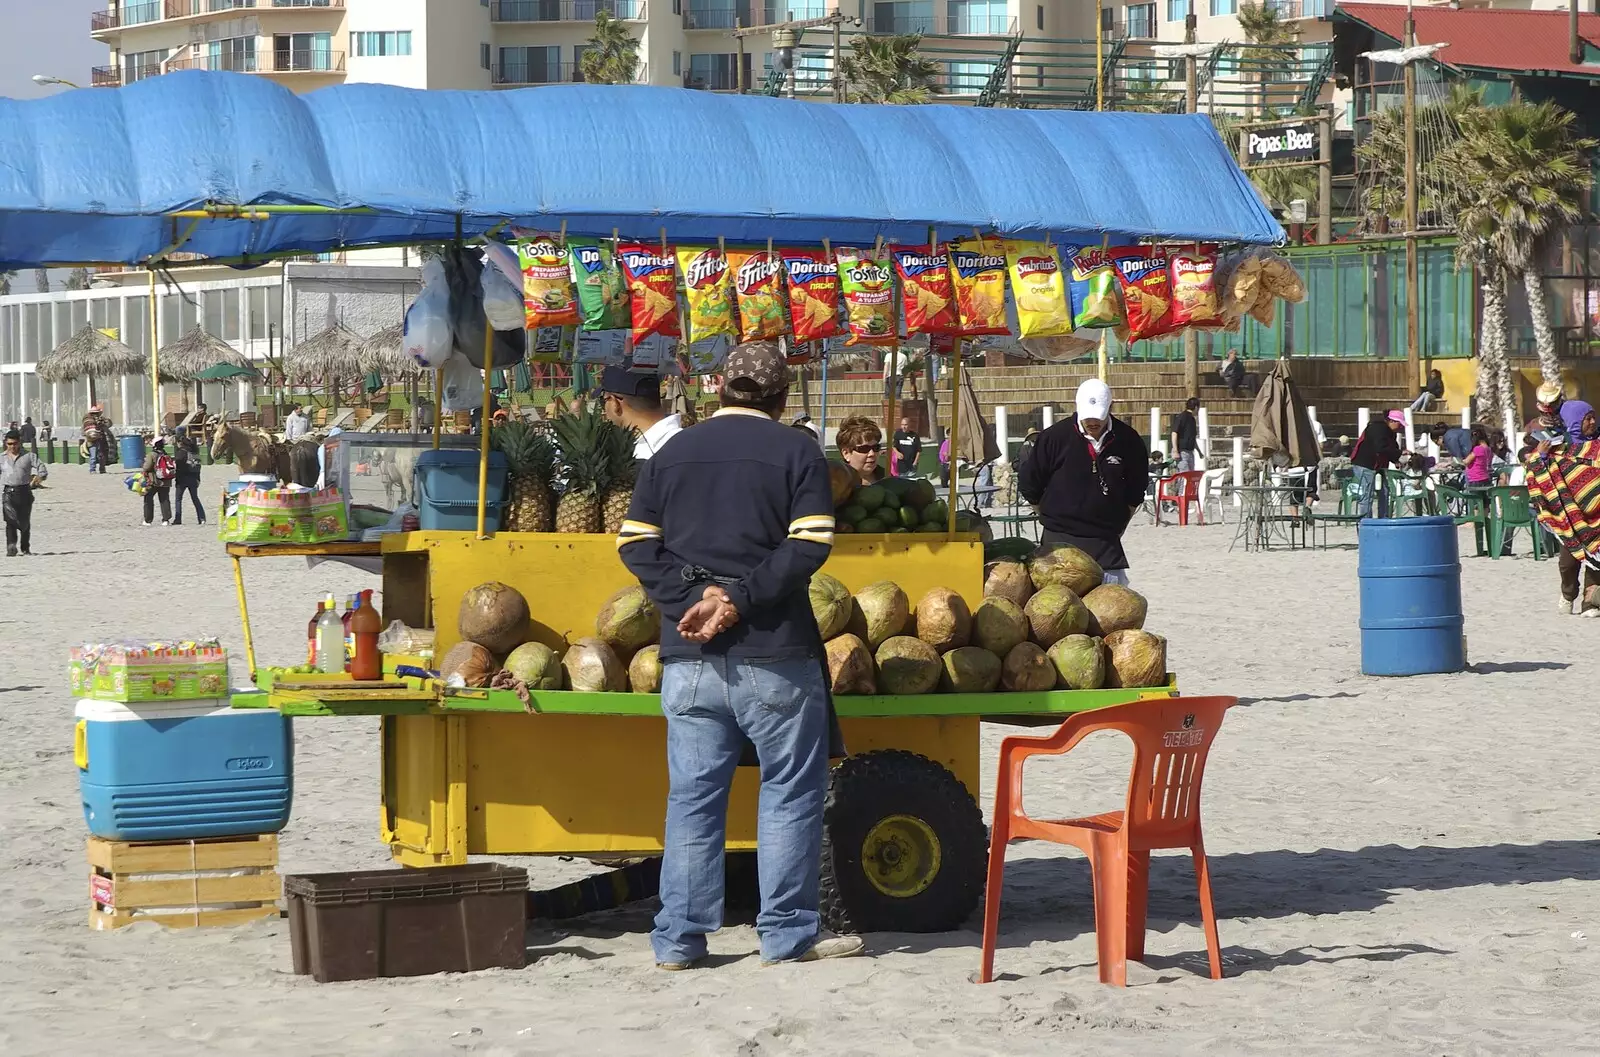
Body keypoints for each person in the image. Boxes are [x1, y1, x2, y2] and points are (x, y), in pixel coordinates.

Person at [617, 341, 863, 970]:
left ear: (717, 387)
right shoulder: (797, 451)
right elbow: (811, 544)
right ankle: (784, 935)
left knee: (694, 798)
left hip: (688, 657)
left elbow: (635, 544)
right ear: (782, 397)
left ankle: (678, 939)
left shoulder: (670, 452)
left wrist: (693, 598)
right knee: (788, 792)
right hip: (776, 654)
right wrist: (739, 599)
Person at [1017, 378, 1150, 586]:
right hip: (1058, 542)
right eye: (1088, 418)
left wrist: (1119, 523)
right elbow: (1029, 482)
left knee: (1111, 612)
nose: (1093, 423)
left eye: (1098, 417)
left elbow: (1136, 488)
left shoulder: (1129, 440)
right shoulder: (1054, 437)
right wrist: (1048, 516)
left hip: (1105, 543)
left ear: (1110, 408)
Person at [598, 366, 682, 460]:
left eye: (603, 400)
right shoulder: (684, 442)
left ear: (614, 404)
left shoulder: (644, 456)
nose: (604, 410)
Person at [1350, 410, 1404, 519]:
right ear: (1392, 421)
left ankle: (1383, 519)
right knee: (1367, 495)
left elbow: (1392, 448)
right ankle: (1366, 522)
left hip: (1379, 466)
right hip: (1365, 465)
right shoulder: (1377, 429)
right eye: (1400, 423)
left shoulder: (1390, 433)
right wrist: (1400, 453)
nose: (1401, 427)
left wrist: (1395, 460)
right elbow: (1380, 447)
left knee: (1385, 492)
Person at [1, 429, 46, 556]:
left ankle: (25, 548)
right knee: (10, 521)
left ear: (19, 442)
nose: (12, 446)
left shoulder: (29, 456)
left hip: (25, 492)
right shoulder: (1, 458)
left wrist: (39, 478)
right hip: (8, 493)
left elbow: (42, 468)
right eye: (9, 444)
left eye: (14, 443)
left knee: (24, 522)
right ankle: (11, 547)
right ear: (6, 444)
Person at [170, 426, 205, 526]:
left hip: (182, 479)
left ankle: (178, 519)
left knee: (178, 499)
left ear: (179, 442)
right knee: (195, 498)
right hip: (194, 477)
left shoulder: (181, 453)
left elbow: (178, 465)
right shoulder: (194, 450)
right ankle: (201, 518)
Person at [836, 416, 885, 487]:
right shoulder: (835, 485)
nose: (872, 454)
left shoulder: (888, 478)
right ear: (846, 453)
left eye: (875, 447)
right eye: (864, 449)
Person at [141, 436, 176, 526]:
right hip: (165, 481)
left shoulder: (152, 454)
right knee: (164, 500)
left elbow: (147, 467)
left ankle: (148, 520)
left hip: (154, 481)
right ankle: (166, 520)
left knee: (148, 499)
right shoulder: (166, 454)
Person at [1169, 397, 1200, 474]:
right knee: (1184, 475)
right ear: (1196, 407)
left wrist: (1199, 451)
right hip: (1182, 451)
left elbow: (1191, 437)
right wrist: (1175, 450)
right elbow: (1174, 433)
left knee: (1190, 475)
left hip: (1190, 451)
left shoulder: (1192, 419)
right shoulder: (1182, 417)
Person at [1463, 425, 1493, 492]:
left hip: (1475, 478)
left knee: (1475, 500)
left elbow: (1467, 461)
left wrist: (1461, 461)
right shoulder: (1488, 449)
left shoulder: (1477, 449)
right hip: (1485, 477)